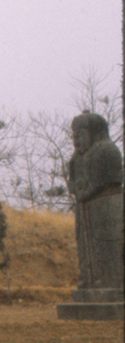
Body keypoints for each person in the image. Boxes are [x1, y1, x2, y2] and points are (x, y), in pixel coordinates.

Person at [68, 112, 123, 292]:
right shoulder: (76, 158)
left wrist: (88, 189)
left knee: (106, 243)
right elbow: (73, 181)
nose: (77, 140)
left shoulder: (106, 151)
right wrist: (78, 190)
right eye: (74, 135)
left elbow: (109, 179)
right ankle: (89, 278)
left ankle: (110, 280)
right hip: (84, 207)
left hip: (104, 205)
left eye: (81, 134)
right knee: (85, 244)